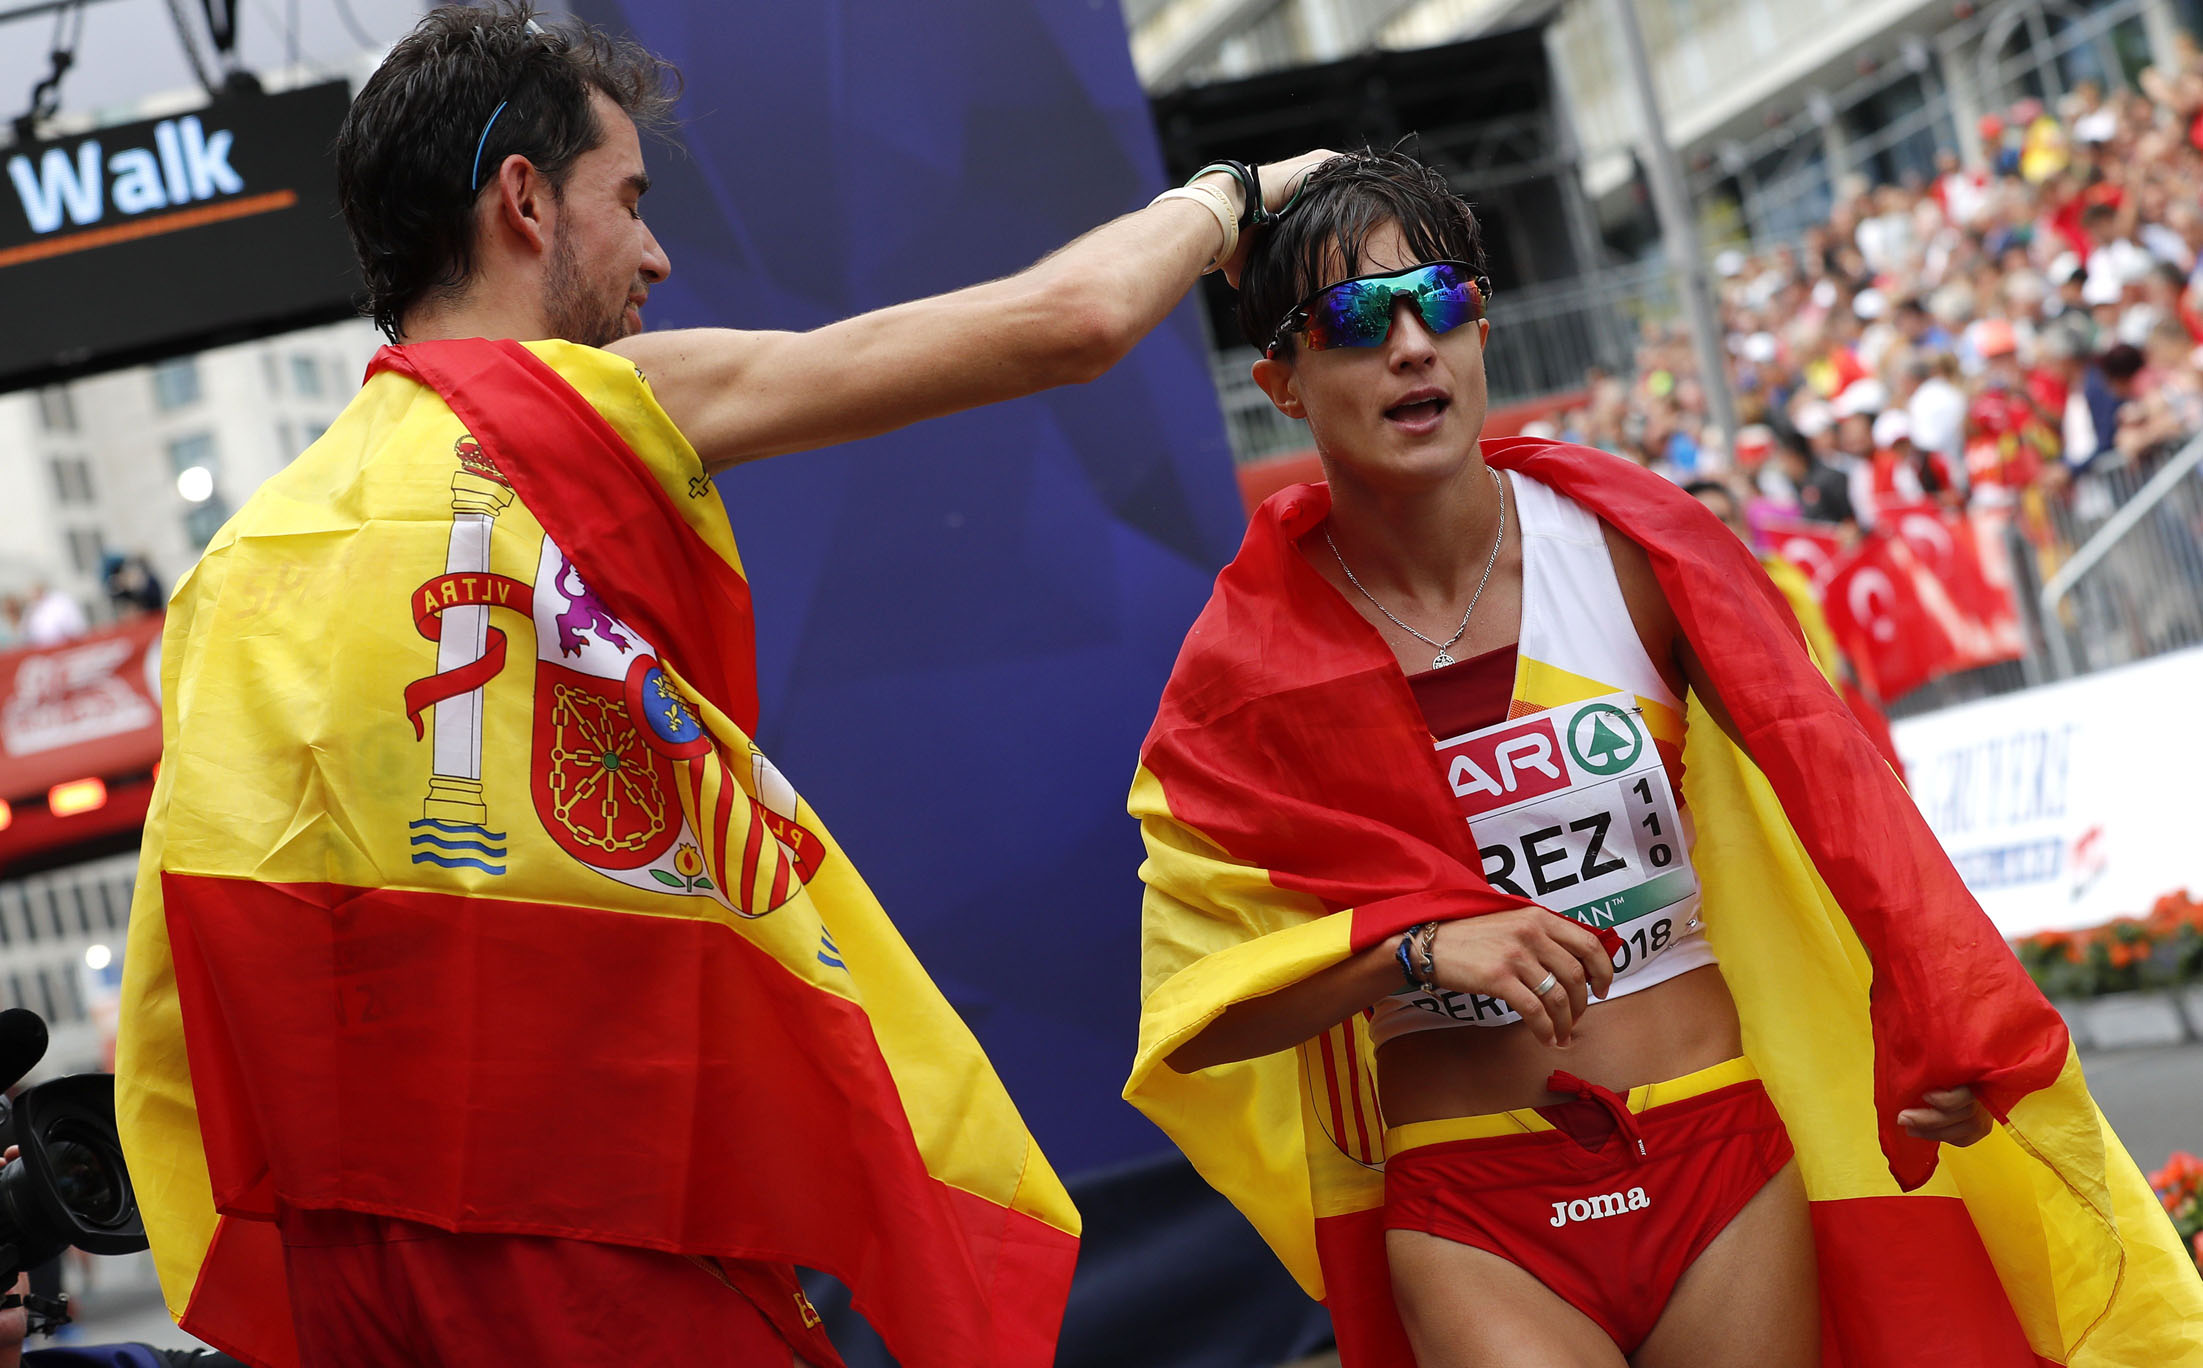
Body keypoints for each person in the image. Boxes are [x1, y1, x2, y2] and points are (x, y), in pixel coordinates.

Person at [113, 6, 1331, 1367]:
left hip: (383, 1268)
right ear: (522, 200)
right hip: (616, 1226)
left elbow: (192, 976)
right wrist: (1229, 197)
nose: (655, 251)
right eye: (625, 201)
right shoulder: (596, 406)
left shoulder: (249, 562)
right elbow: (1069, 322)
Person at [1124, 149, 2202, 1368]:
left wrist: (1933, 1021)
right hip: (1473, 1200)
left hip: (1720, 1156)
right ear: (1282, 380)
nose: (1412, 344)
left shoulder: (1635, 551)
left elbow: (1845, 816)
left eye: (1445, 301)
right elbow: (1196, 1015)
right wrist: (1413, 954)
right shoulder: (1248, 665)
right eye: (1357, 317)